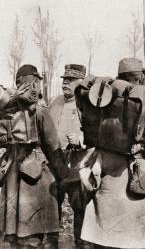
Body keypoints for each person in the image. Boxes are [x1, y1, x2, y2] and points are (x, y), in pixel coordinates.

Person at [74, 57, 145, 249]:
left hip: (104, 189)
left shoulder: (102, 105)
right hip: (136, 192)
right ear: (139, 79)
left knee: (104, 242)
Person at [0, 64, 68, 249]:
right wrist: (65, 178)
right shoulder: (39, 110)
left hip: (12, 173)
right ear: (35, 83)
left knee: (14, 232)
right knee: (37, 230)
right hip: (36, 176)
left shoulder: (5, 110)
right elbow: (53, 147)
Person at [50, 64, 93, 249]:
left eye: (70, 80)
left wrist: (82, 140)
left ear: (80, 83)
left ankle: (80, 244)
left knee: (79, 208)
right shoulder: (55, 101)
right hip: (55, 162)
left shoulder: (88, 104)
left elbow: (97, 134)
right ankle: (52, 242)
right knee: (52, 205)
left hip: (78, 163)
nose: (65, 83)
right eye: (64, 80)